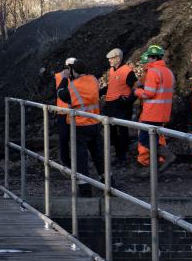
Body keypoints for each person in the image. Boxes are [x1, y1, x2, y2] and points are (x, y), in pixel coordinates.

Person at [56, 59, 106, 197]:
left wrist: (65, 78)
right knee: (99, 156)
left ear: (73, 71)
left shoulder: (73, 86)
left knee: (81, 159)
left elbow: (60, 93)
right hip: (96, 124)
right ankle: (109, 183)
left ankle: (85, 190)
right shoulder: (94, 80)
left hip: (80, 126)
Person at [134, 45, 176, 171]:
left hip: (152, 112)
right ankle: (155, 166)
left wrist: (137, 91)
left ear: (151, 58)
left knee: (144, 138)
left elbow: (149, 93)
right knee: (154, 138)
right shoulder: (168, 72)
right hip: (163, 112)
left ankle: (167, 156)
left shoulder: (153, 71)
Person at [100, 49, 137, 164]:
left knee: (122, 131)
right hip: (110, 106)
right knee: (112, 132)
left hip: (121, 106)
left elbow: (136, 88)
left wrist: (127, 101)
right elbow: (113, 86)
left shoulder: (127, 71)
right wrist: (100, 92)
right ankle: (118, 154)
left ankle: (123, 156)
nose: (109, 61)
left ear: (118, 58)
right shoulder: (112, 70)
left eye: (111, 58)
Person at [52, 59, 74, 166]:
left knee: (74, 138)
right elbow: (53, 95)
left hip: (74, 112)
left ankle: (74, 161)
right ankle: (66, 161)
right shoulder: (57, 77)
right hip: (62, 112)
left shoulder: (76, 77)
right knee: (64, 139)